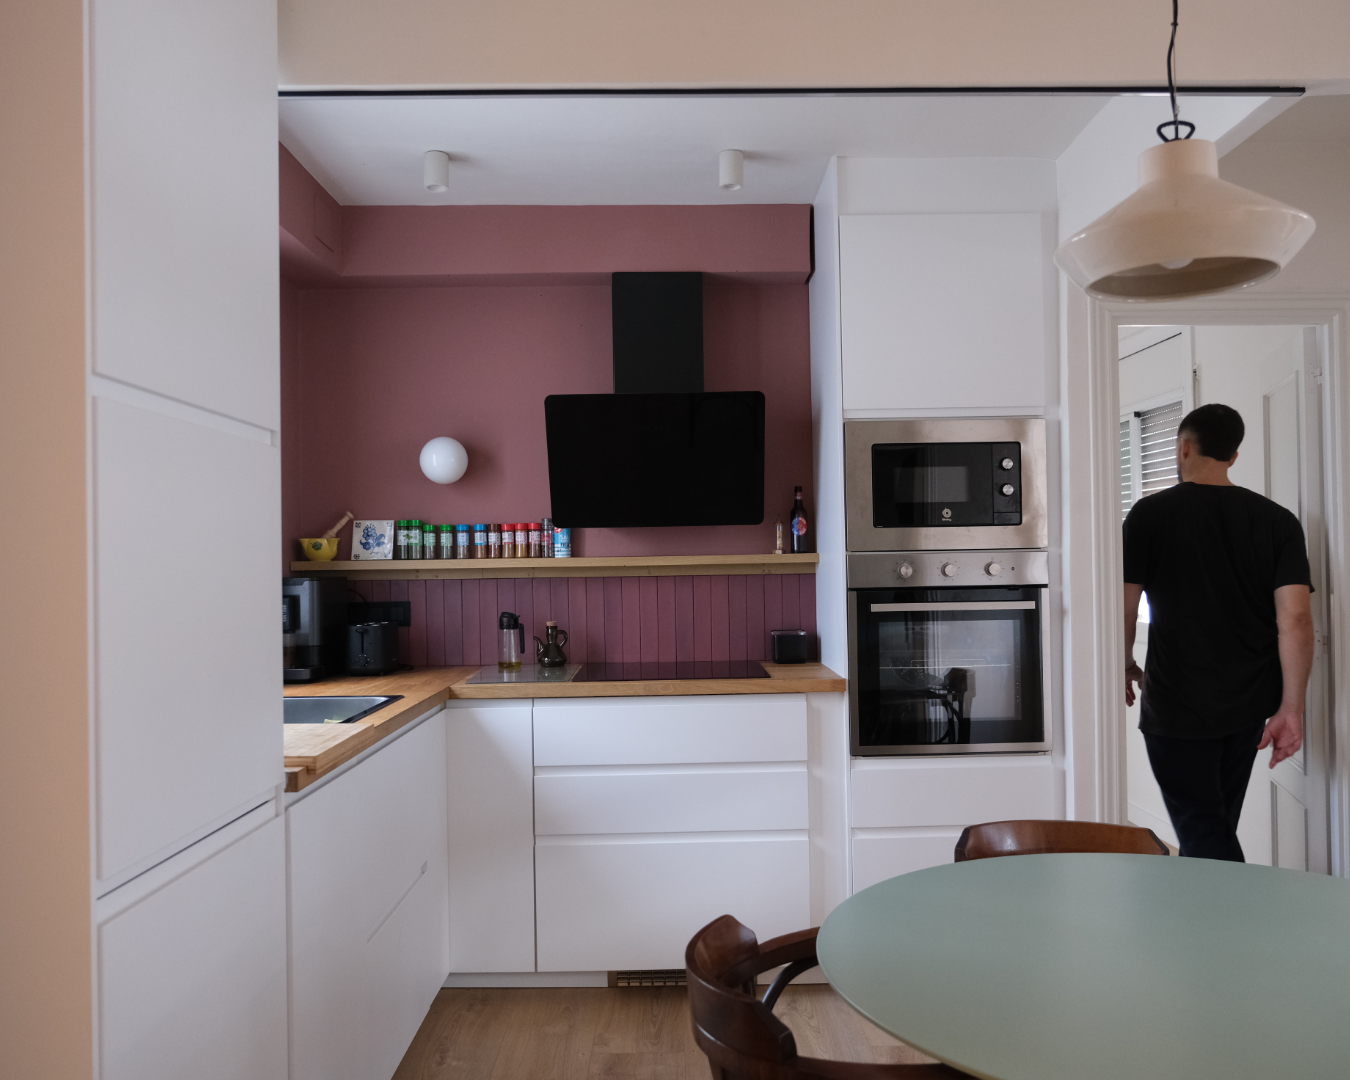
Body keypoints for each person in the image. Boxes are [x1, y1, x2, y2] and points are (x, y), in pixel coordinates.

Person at [1122, 403, 1314, 861]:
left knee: (1204, 831)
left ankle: (1228, 928)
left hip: (1177, 704)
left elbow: (1124, 606)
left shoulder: (1149, 515)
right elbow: (1296, 621)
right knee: (1213, 824)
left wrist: (1123, 660)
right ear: (1234, 456)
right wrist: (1292, 707)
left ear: (1183, 448)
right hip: (1247, 705)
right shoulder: (1278, 520)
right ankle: (1206, 923)